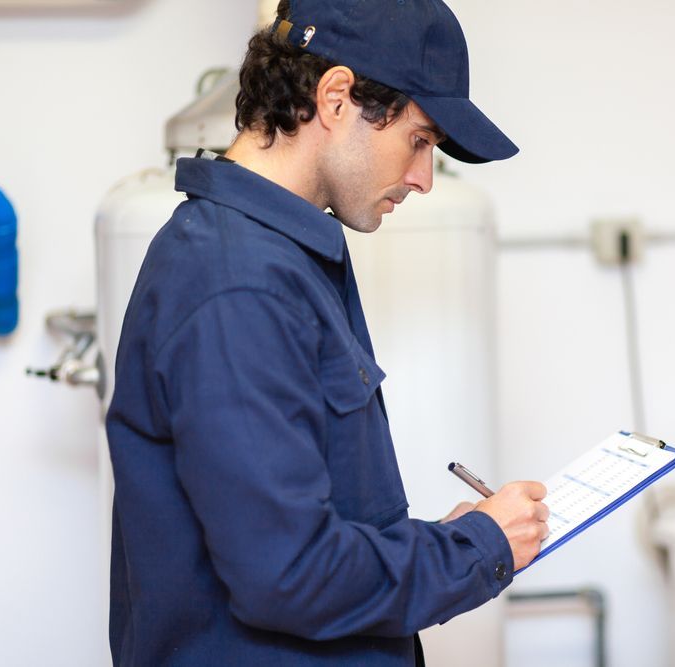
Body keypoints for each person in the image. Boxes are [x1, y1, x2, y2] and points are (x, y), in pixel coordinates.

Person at [105, 0, 549, 664]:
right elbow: (287, 573)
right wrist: (475, 548)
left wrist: (446, 541)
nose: (424, 179)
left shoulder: (276, 257)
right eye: (420, 140)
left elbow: (297, 530)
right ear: (336, 98)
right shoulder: (238, 281)